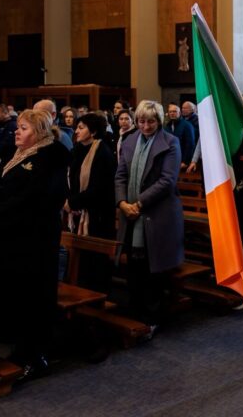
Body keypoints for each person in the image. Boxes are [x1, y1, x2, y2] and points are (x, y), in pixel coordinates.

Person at [0, 109, 70, 380]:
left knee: (33, 295)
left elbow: (32, 198)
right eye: (18, 127)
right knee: (17, 293)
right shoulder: (24, 155)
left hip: (34, 241)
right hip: (14, 238)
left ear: (38, 132)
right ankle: (16, 346)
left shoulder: (48, 158)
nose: (17, 131)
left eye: (24, 128)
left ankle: (34, 355)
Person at [115, 100, 184, 332]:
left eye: (151, 121)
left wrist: (139, 203)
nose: (145, 126)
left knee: (153, 269)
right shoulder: (129, 140)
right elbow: (120, 175)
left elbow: (167, 180)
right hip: (130, 214)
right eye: (142, 121)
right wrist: (122, 202)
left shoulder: (171, 142)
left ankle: (153, 317)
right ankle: (135, 313)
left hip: (157, 213)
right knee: (134, 268)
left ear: (159, 121)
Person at [67, 113, 117, 292]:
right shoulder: (78, 149)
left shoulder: (102, 152)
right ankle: (82, 290)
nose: (76, 131)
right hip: (79, 210)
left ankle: (97, 294)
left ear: (94, 131)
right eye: (77, 127)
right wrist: (71, 201)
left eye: (81, 128)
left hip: (98, 213)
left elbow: (98, 188)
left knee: (95, 259)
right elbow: (71, 178)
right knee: (82, 259)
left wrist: (73, 203)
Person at [164, 103, 194, 170]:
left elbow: (190, 144)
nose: (172, 113)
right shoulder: (166, 127)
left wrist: (185, 161)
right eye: (170, 112)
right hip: (170, 161)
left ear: (179, 113)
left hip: (182, 161)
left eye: (174, 111)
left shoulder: (187, 125)